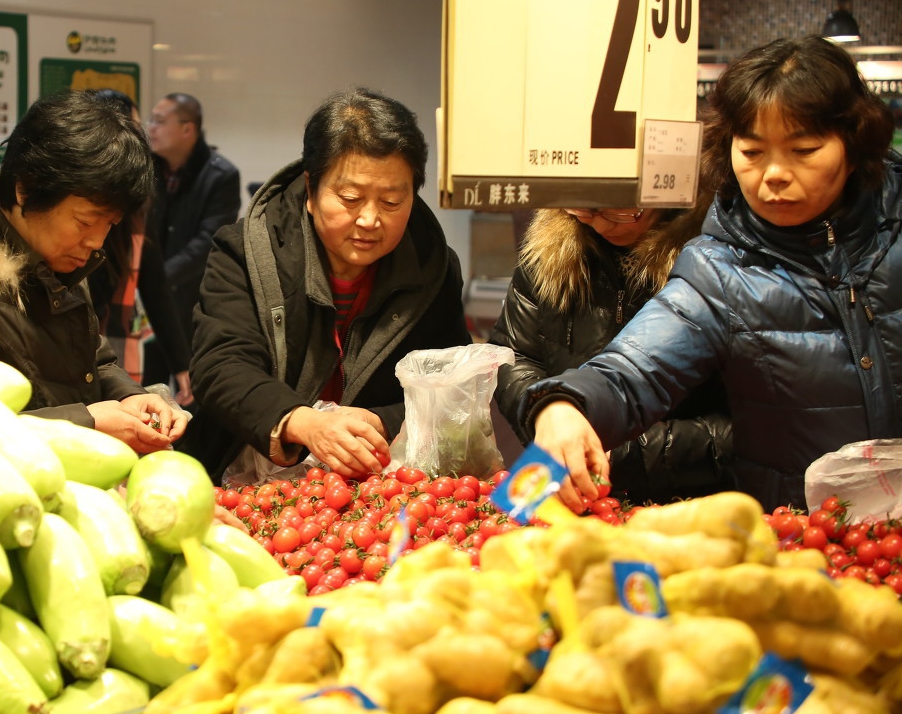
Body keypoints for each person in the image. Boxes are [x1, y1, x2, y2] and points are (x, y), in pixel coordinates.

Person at [521, 35, 902, 511]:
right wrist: (564, 404)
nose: (774, 173)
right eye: (753, 152)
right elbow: (636, 368)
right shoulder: (718, 268)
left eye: (804, 149)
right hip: (803, 532)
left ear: (854, 144)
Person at [183, 87, 472, 482]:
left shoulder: (432, 268)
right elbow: (220, 366)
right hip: (240, 478)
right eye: (351, 198)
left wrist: (381, 421)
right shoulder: (247, 251)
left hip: (375, 486)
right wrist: (304, 423)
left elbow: (450, 389)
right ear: (311, 189)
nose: (369, 220)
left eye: (391, 202)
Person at [0, 90, 186, 453]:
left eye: (110, 224)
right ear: (26, 189)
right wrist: (88, 423)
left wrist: (130, 397)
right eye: (85, 221)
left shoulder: (56, 252)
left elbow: (92, 360)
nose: (96, 242)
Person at [488, 199, 734, 504]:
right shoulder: (548, 248)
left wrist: (615, 452)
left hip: (696, 503)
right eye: (584, 209)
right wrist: (545, 411)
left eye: (623, 211)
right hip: (574, 491)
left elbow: (749, 426)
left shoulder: (714, 269)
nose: (602, 224)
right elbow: (513, 354)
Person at [86, 90, 193, 406]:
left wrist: (181, 362)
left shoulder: (140, 201)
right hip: (82, 339)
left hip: (117, 338)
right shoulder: (84, 195)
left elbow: (155, 284)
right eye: (134, 126)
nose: (141, 137)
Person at [143, 92, 241, 401]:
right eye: (151, 120)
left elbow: (207, 243)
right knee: (147, 393)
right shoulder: (148, 168)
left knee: (194, 396)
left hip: (195, 305)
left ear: (187, 129)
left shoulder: (220, 174)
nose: (151, 127)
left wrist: (155, 279)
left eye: (159, 121)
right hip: (151, 306)